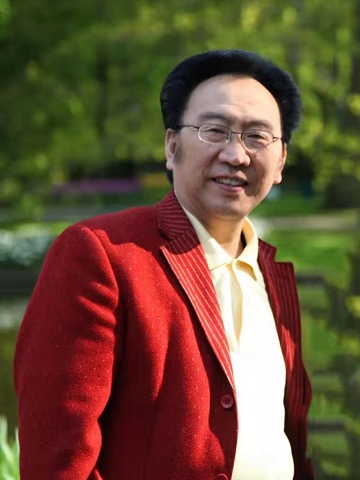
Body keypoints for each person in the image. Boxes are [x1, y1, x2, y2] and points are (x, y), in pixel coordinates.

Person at [14, 49, 313, 479]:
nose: (236, 155)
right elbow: (56, 463)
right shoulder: (102, 254)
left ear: (281, 159)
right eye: (215, 130)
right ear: (172, 147)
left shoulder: (271, 276)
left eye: (257, 136)